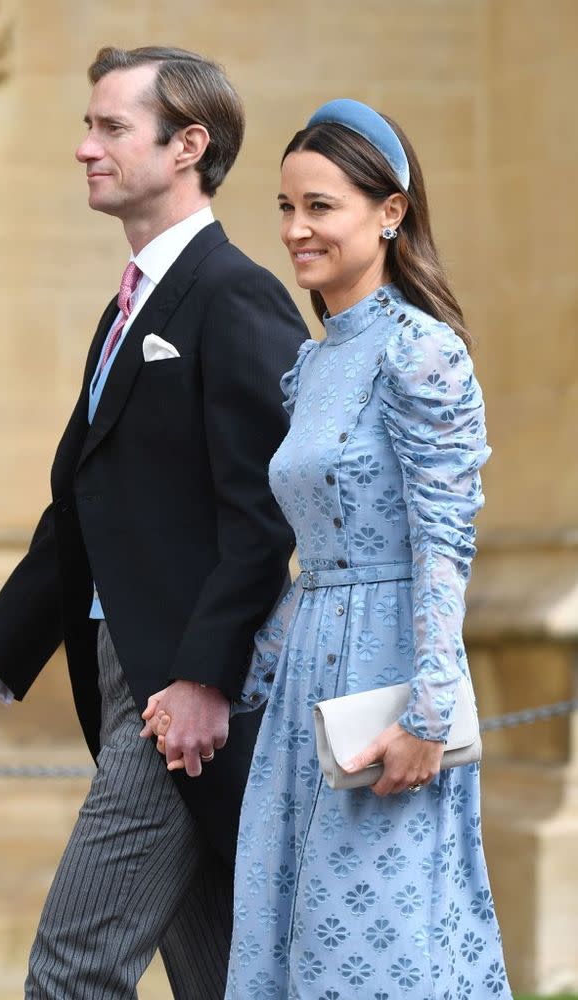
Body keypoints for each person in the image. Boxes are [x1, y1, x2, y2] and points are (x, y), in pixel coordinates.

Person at [0, 46, 308, 999]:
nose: (83, 147)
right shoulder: (124, 307)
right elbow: (80, 515)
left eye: (109, 128)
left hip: (185, 686)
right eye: (88, 126)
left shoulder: (235, 294)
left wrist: (204, 677)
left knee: (71, 971)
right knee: (228, 979)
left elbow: (266, 511)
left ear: (188, 146)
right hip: (127, 675)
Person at [219, 99, 512, 997]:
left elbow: (443, 539)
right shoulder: (312, 364)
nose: (295, 229)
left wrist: (429, 708)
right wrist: (244, 676)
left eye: (320, 206)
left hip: (390, 673)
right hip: (310, 676)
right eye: (284, 206)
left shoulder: (420, 352)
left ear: (389, 213)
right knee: (290, 936)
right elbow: (318, 551)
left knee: (375, 942)